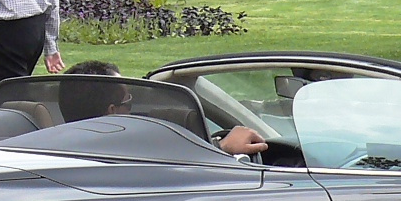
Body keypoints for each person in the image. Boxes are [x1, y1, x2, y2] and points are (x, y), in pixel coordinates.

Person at [58, 60, 268, 157]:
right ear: (112, 111)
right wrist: (222, 149)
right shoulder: (130, 158)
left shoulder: (53, 152)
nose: (132, 108)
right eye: (128, 101)